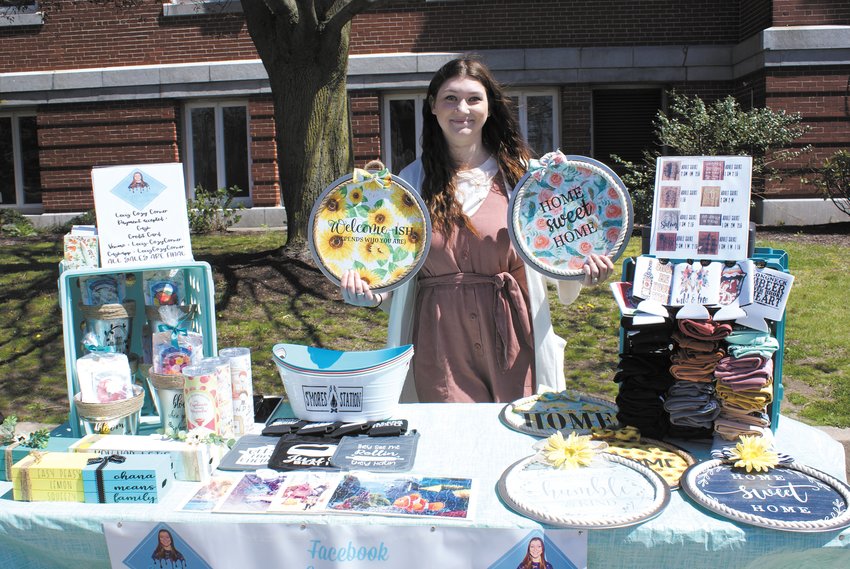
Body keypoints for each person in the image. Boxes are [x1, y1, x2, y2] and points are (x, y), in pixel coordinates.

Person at [341, 56, 613, 403]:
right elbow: (393, 272)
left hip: (514, 333)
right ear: (434, 108)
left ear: (489, 107)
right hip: (440, 340)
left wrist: (581, 272)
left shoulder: (528, 180)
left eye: (473, 98)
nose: (462, 108)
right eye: (450, 98)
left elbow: (557, 253)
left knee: (518, 433)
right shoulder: (407, 186)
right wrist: (371, 293)